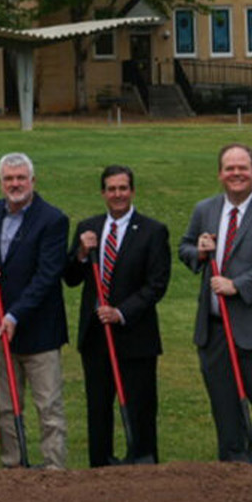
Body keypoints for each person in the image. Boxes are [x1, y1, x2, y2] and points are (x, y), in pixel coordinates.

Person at [180, 143, 252, 463]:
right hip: (215, 334)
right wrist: (200, 252)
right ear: (220, 174)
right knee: (226, 415)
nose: (236, 174)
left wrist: (238, 286)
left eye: (242, 168)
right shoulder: (206, 209)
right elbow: (185, 247)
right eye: (229, 168)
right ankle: (233, 481)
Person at [61, 165, 170, 466]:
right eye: (111, 189)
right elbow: (70, 277)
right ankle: (100, 465)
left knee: (140, 405)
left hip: (135, 335)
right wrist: (81, 253)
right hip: (96, 336)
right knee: (98, 406)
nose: (118, 194)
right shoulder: (89, 227)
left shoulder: (153, 231)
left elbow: (156, 285)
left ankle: (142, 461)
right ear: (103, 193)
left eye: (123, 188)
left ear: (132, 191)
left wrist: (121, 312)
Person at [0, 153, 70, 469]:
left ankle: (53, 469)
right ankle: (13, 468)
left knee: (48, 406)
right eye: (9, 179)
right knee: (6, 406)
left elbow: (47, 275)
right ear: (0, 183)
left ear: (32, 181)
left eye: (20, 178)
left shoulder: (53, 219)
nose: (15, 184)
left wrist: (16, 315)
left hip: (39, 329)